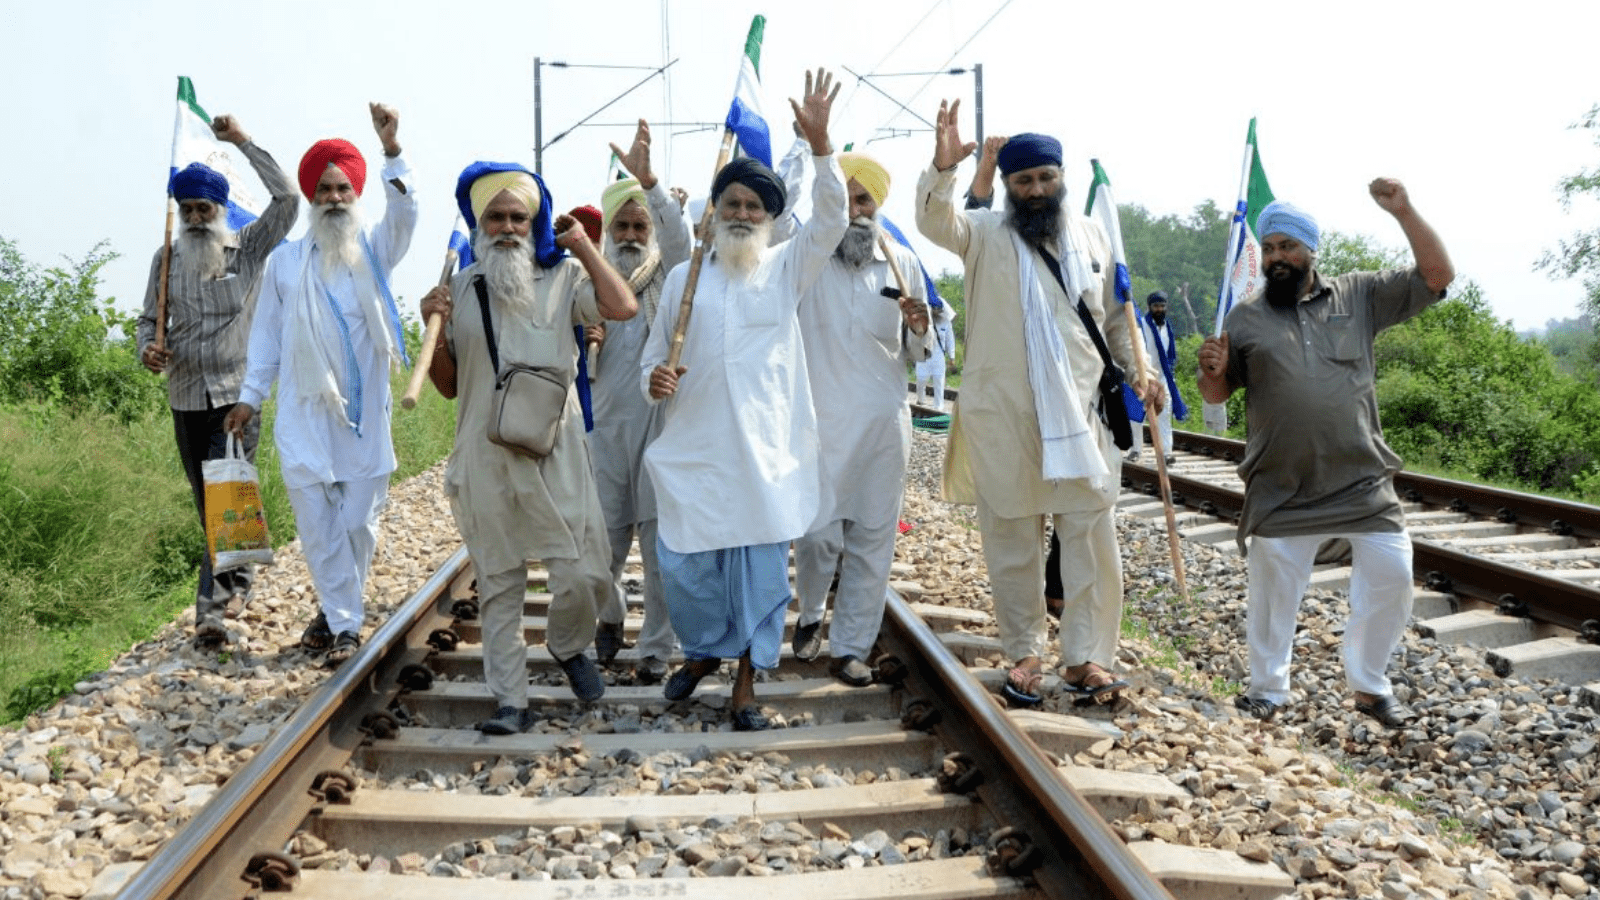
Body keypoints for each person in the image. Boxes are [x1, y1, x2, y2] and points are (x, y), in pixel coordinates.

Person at [914, 103, 1161, 707]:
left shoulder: (1092, 236)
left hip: (1082, 412)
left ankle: (1086, 660)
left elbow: (1112, 317)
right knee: (1013, 539)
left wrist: (1143, 370)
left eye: (1044, 178)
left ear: (1060, 178)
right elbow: (933, 220)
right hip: (1005, 415)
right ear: (1007, 187)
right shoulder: (983, 233)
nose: (1035, 190)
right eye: (1023, 181)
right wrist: (945, 167)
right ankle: (1024, 652)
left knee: (1090, 538)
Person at [1197, 181, 1452, 728]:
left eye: (1288, 246)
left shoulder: (1359, 295)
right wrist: (1210, 371)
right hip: (1281, 484)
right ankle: (1268, 688)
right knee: (1273, 591)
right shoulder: (1243, 318)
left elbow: (1437, 277)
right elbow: (1217, 394)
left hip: (1361, 481)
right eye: (1269, 248)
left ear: (1312, 250)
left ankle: (1370, 685)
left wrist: (1404, 211)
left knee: (1392, 572)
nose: (1277, 257)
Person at [640, 68, 845, 731]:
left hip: (765, 454)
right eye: (731, 204)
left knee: (759, 577)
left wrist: (821, 147)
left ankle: (747, 688)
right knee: (688, 568)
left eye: (754, 207)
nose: (741, 214)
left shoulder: (787, 268)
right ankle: (702, 654)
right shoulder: (682, 277)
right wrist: (656, 380)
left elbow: (834, 216)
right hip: (696, 451)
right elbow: (651, 358)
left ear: (770, 218)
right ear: (715, 211)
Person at [420, 162, 637, 734]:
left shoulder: (564, 277)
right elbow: (445, 385)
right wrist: (431, 324)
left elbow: (622, 307)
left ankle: (568, 646)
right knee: (499, 583)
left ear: (534, 221)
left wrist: (585, 247)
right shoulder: (459, 291)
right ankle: (511, 701)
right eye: (496, 217)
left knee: (586, 573)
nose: (509, 228)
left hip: (556, 450)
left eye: (520, 217)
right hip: (484, 453)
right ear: (478, 223)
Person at [224, 103, 416, 666]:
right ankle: (344, 627)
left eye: (343, 189)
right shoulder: (284, 263)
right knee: (317, 527)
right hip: (304, 418)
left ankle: (336, 612)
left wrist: (391, 150)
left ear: (357, 194)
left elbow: (406, 212)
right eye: (324, 190)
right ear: (311, 198)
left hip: (363, 418)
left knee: (358, 523)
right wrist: (249, 397)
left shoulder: (375, 252)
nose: (334, 198)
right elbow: (265, 339)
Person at [137, 115, 298, 650]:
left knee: (220, 499)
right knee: (208, 499)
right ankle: (241, 578)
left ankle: (211, 613)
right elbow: (146, 322)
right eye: (187, 210)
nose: (196, 217)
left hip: (236, 396)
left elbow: (288, 200)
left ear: (220, 210)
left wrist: (245, 142)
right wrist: (149, 350)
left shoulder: (248, 249)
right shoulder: (167, 258)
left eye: (204, 208)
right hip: (184, 394)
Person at [792, 152, 933, 685]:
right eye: (843, 198)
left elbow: (919, 353)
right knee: (817, 537)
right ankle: (809, 612)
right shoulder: (804, 258)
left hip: (882, 424)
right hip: (818, 423)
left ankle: (849, 648)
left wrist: (919, 329)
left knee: (873, 541)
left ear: (878, 207)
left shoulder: (902, 263)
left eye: (862, 199)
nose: (853, 210)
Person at [583, 120, 693, 684]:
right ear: (608, 231)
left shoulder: (667, 276)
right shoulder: (588, 280)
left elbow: (682, 246)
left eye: (638, 225)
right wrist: (584, 341)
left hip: (657, 426)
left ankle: (655, 649)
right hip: (601, 428)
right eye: (621, 225)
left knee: (657, 546)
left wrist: (651, 185)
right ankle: (608, 617)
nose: (629, 234)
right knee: (601, 544)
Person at [1126, 291, 1187, 464]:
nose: (1159, 309)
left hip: (1163, 378)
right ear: (1149, 307)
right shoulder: (1142, 326)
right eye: (1156, 306)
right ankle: (1135, 450)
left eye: (1162, 306)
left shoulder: (1167, 327)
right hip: (1142, 376)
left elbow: (1169, 355)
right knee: (1136, 415)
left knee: (1164, 415)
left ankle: (1166, 452)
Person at [914, 295, 956, 409]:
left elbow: (950, 340)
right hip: (924, 354)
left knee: (939, 381)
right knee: (921, 379)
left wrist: (952, 356)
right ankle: (921, 401)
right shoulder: (923, 320)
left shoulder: (946, 322)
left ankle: (938, 407)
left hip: (939, 356)